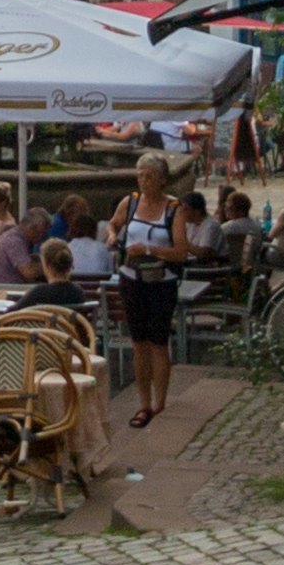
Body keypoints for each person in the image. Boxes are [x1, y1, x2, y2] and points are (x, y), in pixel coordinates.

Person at [111, 157, 190, 431]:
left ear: (161, 180)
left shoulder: (173, 209)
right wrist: (113, 235)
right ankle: (143, 403)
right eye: (139, 175)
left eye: (148, 176)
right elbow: (114, 223)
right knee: (138, 342)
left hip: (161, 280)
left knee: (158, 342)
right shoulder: (130, 201)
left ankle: (160, 402)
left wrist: (147, 249)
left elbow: (181, 250)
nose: (142, 181)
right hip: (132, 279)